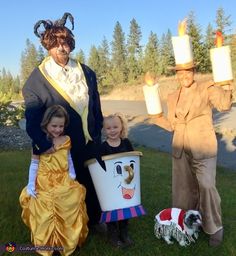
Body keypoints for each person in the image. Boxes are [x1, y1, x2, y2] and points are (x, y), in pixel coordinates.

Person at [22, 13, 103, 226]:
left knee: (95, 184)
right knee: (67, 193)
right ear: (47, 46)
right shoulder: (35, 81)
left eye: (65, 42)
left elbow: (96, 106)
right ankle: (71, 229)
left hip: (90, 142)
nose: (61, 48)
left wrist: (97, 132)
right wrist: (45, 144)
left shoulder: (87, 72)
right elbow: (32, 120)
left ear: (71, 44)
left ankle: (94, 221)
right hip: (62, 148)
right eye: (56, 43)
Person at [149, 65, 233, 247]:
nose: (185, 75)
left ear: (194, 72)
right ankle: (185, 225)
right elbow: (172, 124)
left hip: (204, 147)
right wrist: (154, 110)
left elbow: (225, 105)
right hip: (180, 148)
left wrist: (227, 86)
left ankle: (214, 227)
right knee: (183, 190)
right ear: (176, 75)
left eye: (188, 71)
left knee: (207, 185)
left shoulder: (206, 88)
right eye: (180, 72)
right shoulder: (173, 97)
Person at [19, 105, 89, 256]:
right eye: (54, 126)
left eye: (61, 126)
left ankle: (68, 241)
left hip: (63, 178)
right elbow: (34, 164)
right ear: (46, 124)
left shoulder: (66, 139)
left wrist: (72, 173)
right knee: (46, 204)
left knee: (71, 199)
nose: (57, 129)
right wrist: (31, 184)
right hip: (45, 179)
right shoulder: (40, 141)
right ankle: (49, 244)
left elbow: (68, 158)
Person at [100, 113, 134, 248]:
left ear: (121, 127)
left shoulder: (126, 143)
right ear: (104, 130)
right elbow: (101, 167)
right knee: (112, 209)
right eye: (108, 128)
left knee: (125, 206)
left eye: (115, 127)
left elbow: (133, 160)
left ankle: (124, 233)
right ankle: (113, 234)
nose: (112, 130)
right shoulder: (103, 147)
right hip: (111, 185)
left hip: (126, 183)